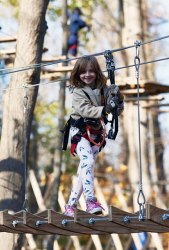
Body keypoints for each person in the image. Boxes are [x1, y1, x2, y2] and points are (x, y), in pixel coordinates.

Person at [63, 56, 124, 217]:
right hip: (80, 132)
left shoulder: (105, 89)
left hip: (97, 134)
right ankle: (90, 201)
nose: (87, 75)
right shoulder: (78, 92)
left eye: (91, 71)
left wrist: (117, 101)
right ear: (77, 74)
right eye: (83, 72)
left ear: (97, 72)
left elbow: (116, 110)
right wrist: (104, 110)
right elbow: (85, 110)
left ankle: (71, 205)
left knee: (84, 169)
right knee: (88, 161)